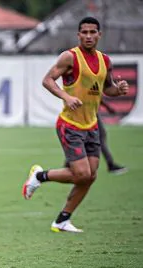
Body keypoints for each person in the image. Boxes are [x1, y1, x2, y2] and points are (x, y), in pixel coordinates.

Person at [22, 17, 129, 233]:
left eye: (92, 32)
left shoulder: (105, 61)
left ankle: (62, 220)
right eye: (84, 32)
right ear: (78, 35)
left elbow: (106, 88)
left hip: (91, 126)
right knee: (81, 174)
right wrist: (66, 97)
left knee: (90, 176)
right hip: (70, 124)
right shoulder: (70, 57)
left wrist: (118, 90)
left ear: (99, 34)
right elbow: (48, 80)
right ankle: (39, 176)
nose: (88, 36)